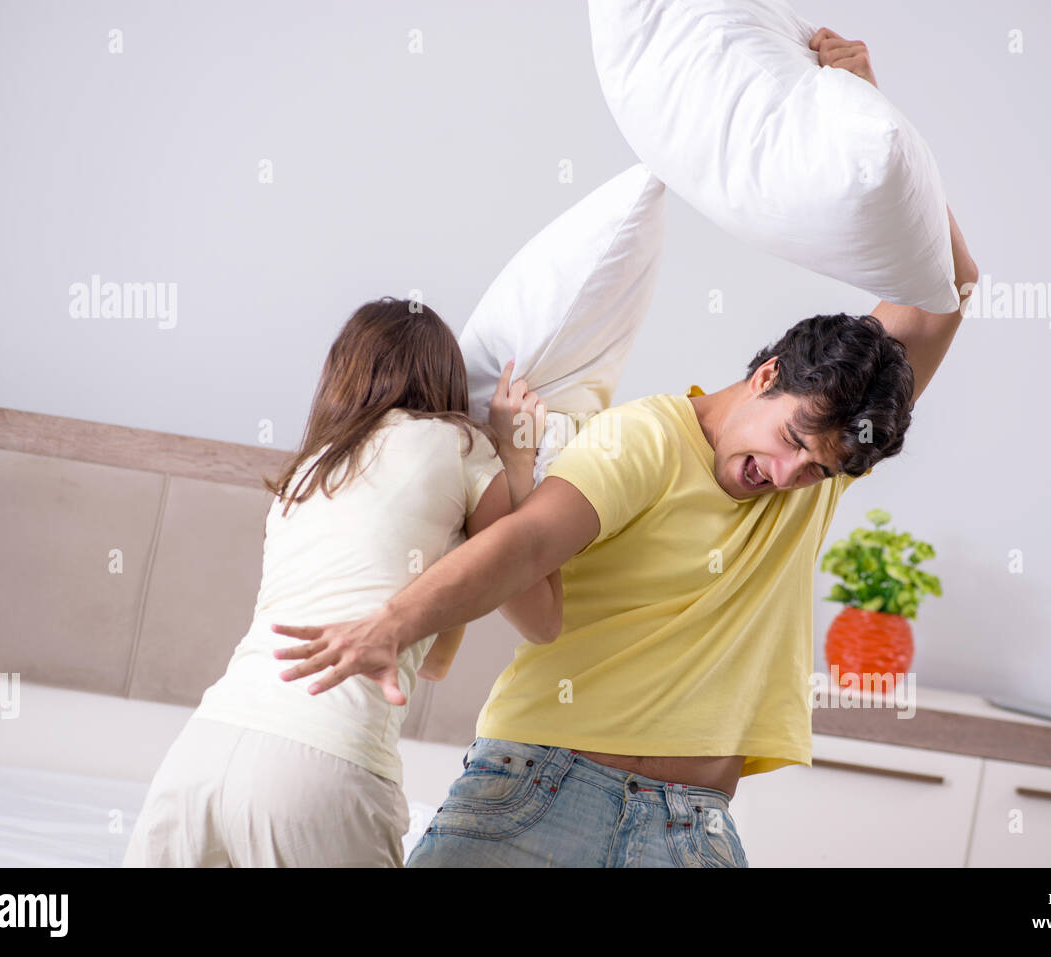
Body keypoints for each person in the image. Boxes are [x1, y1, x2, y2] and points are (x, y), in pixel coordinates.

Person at [270, 30, 979, 867]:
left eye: (818, 469)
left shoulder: (817, 469)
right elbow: (526, 543)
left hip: (695, 830)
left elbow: (947, 291)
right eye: (790, 441)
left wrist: (864, 106)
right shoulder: (646, 438)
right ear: (766, 373)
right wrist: (393, 621)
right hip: (543, 791)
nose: (788, 477)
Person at [122, 297, 562, 867]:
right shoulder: (462, 446)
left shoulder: (306, 473)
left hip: (201, 756)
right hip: (322, 763)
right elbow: (543, 618)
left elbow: (432, 658)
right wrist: (516, 463)